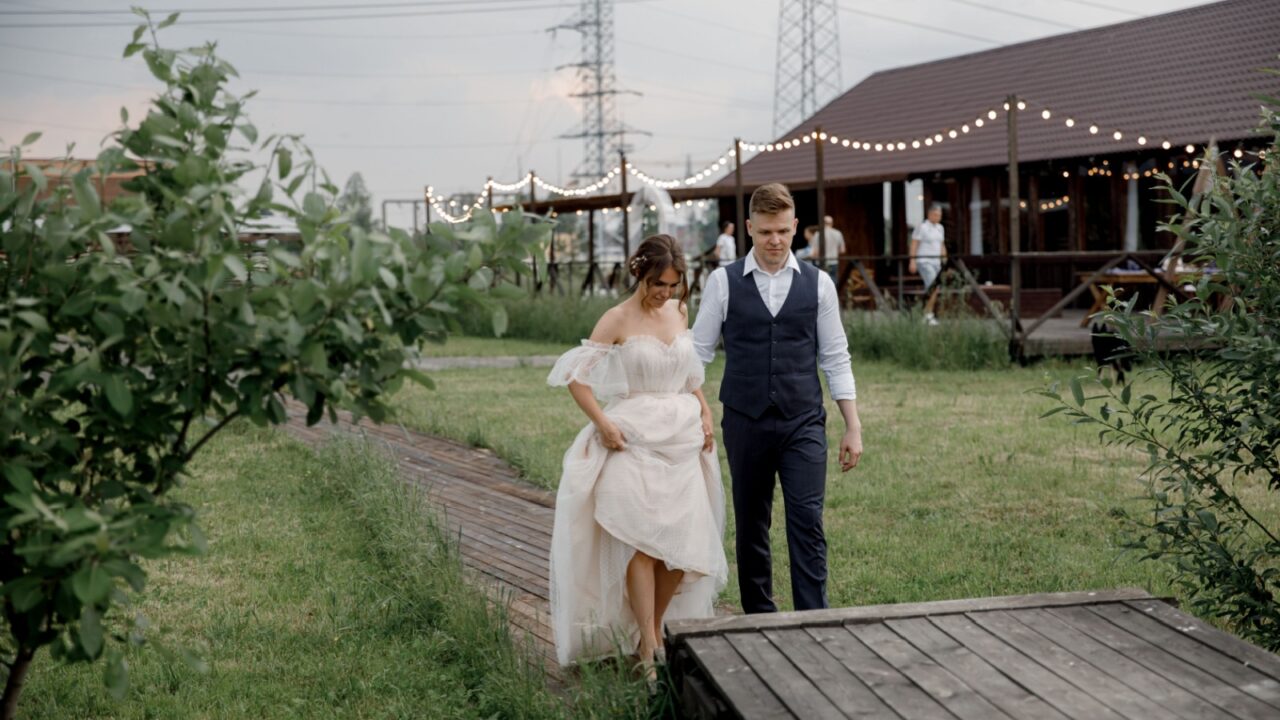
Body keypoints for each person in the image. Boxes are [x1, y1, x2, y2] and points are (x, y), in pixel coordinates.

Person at [547, 234, 728, 677]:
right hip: (633, 437)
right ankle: (649, 647)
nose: (665, 293)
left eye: (673, 285)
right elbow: (576, 377)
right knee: (641, 546)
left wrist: (705, 411)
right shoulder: (616, 318)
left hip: (682, 438)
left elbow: (687, 373)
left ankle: (653, 629)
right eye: (658, 284)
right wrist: (603, 424)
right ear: (639, 274)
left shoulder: (679, 311)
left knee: (678, 552)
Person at [691, 183, 863, 615]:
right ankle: (758, 620)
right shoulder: (723, 282)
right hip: (745, 419)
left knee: (807, 522)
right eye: (766, 231)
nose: (775, 241)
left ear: (795, 228)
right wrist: (692, 410)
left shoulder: (820, 285)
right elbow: (697, 353)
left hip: (802, 419)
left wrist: (853, 425)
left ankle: (812, 618)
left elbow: (835, 356)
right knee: (752, 525)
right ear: (750, 228)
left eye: (784, 231)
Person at [910, 205, 947, 324]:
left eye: (940, 215)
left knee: (934, 288)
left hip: (936, 263)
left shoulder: (940, 228)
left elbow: (941, 245)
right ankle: (928, 314)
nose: (938, 217)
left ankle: (924, 312)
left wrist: (945, 259)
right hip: (924, 261)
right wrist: (912, 260)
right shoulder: (922, 227)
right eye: (936, 215)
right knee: (933, 287)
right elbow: (914, 244)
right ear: (930, 214)